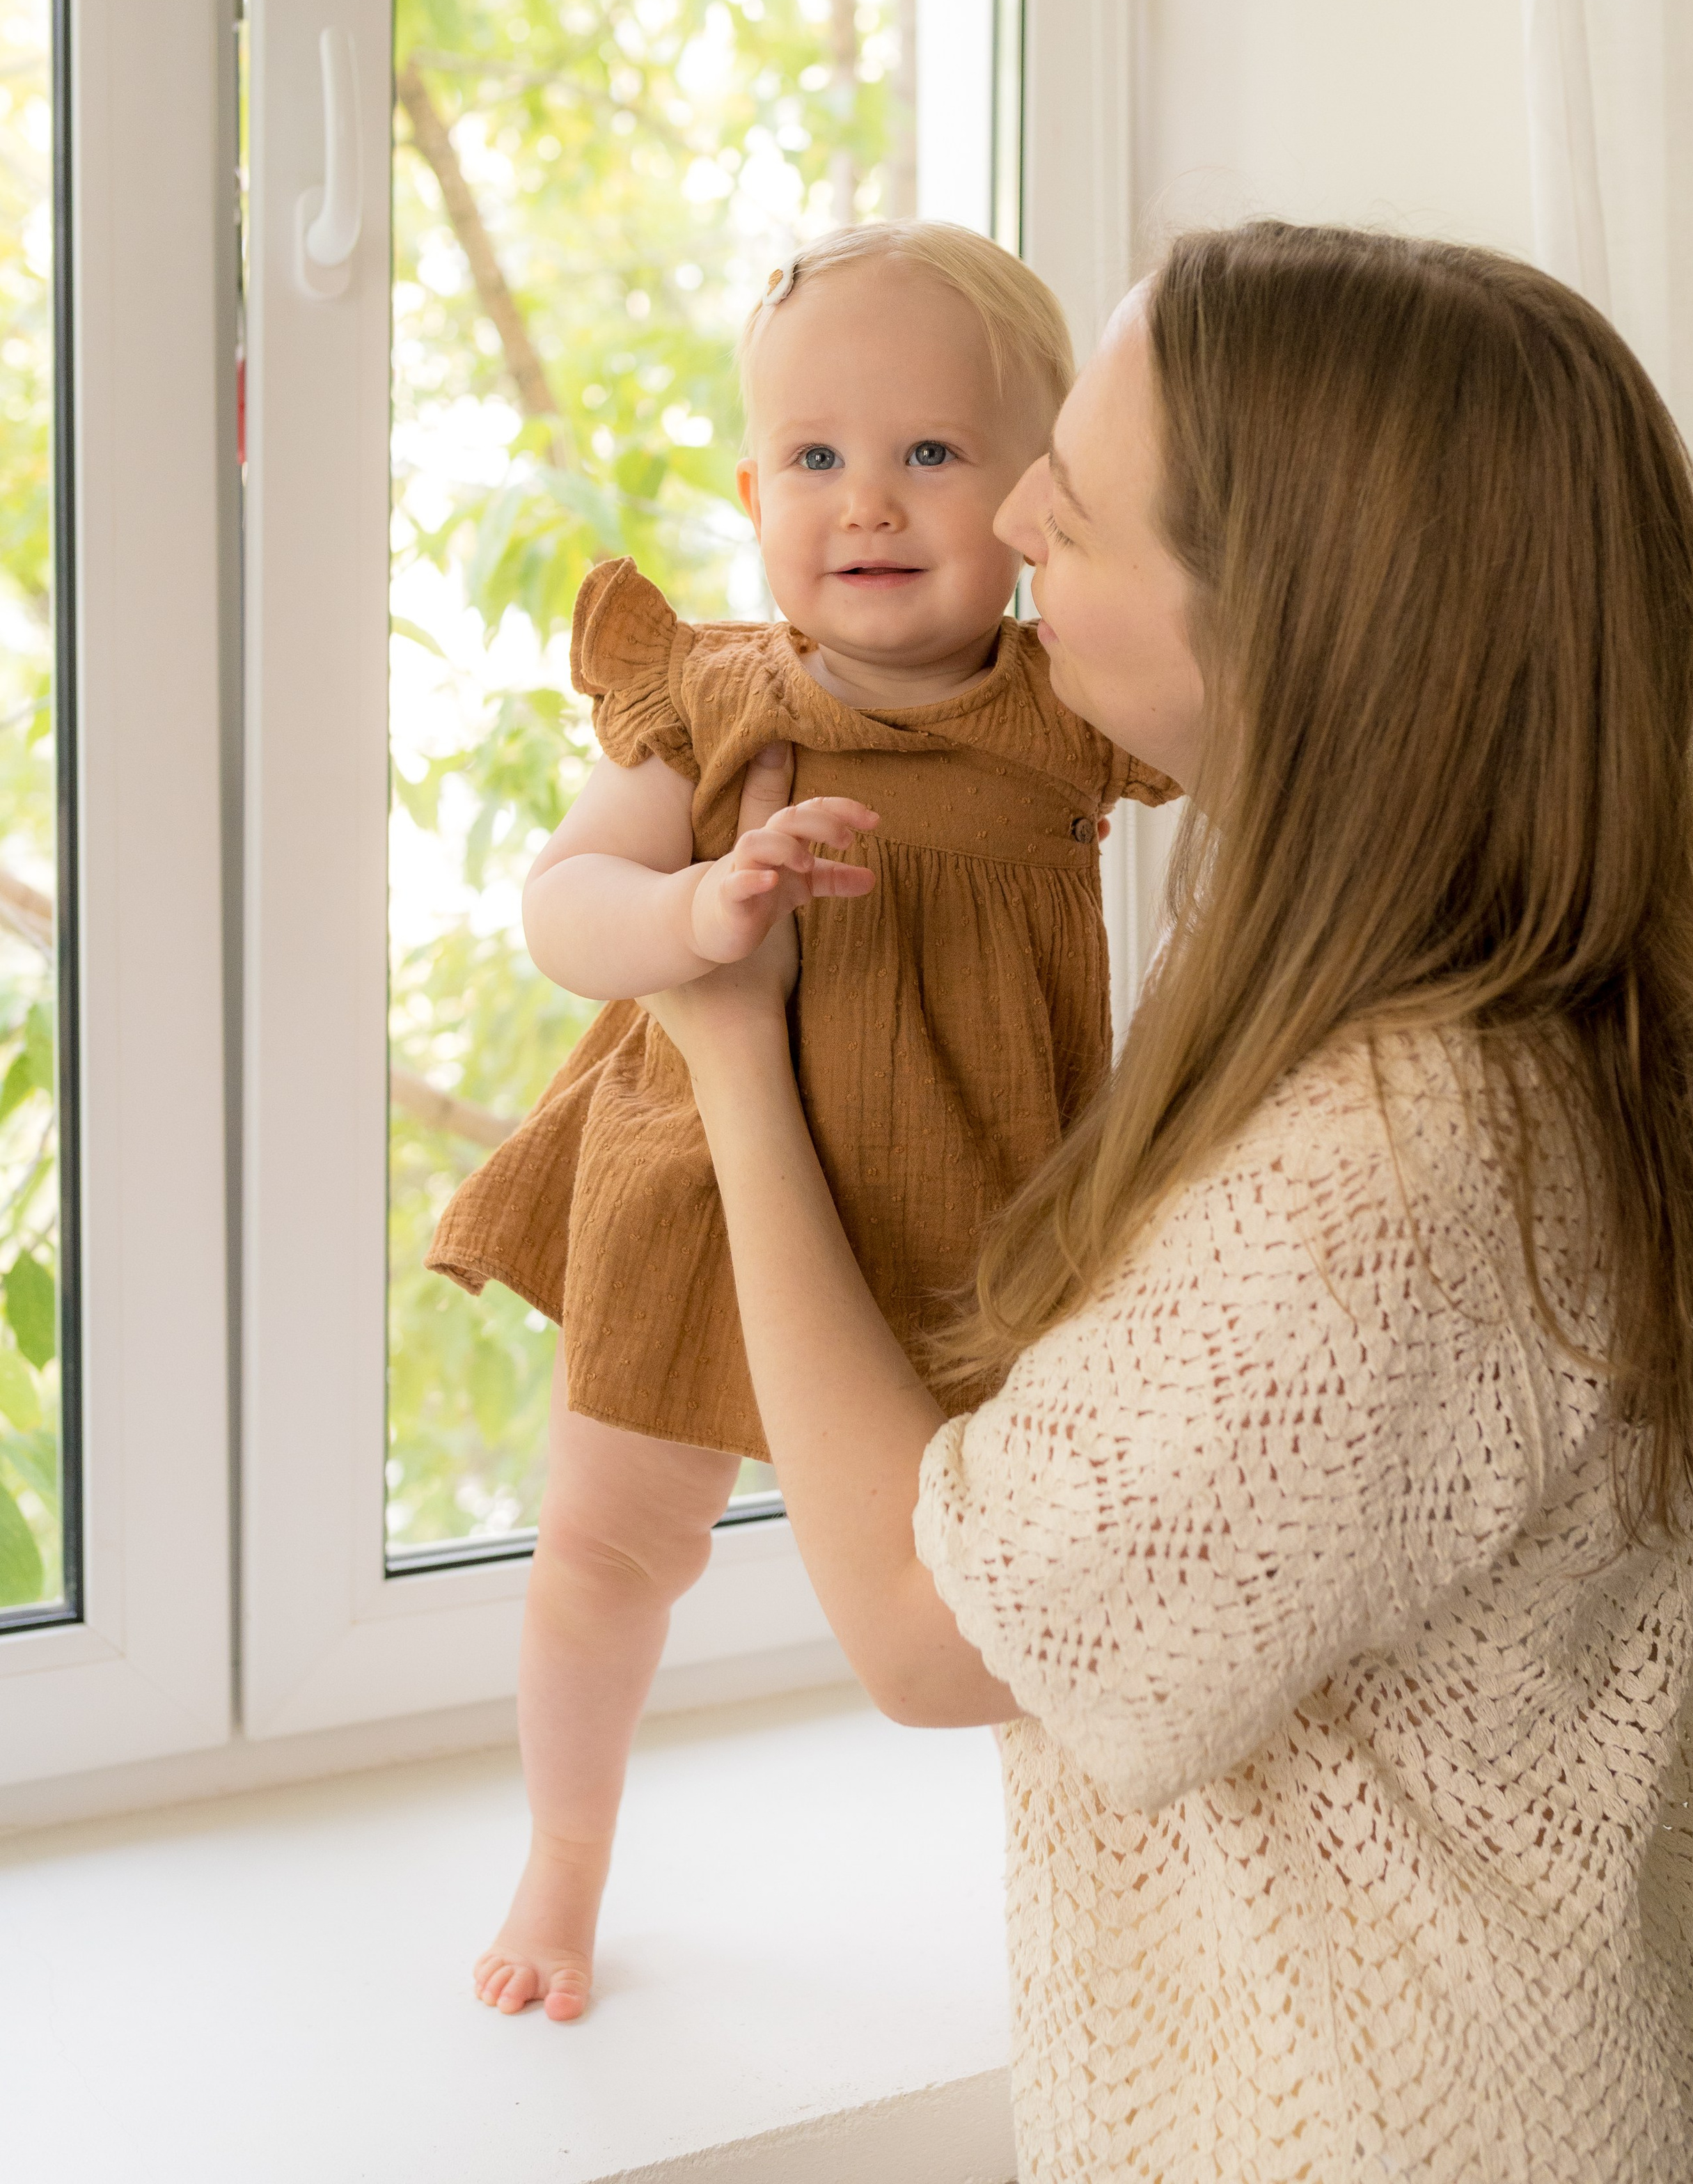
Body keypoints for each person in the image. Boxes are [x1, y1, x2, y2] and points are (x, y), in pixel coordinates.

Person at [643, 222, 1693, 2181]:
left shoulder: (1395, 1170)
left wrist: (733, 1063)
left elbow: (934, 1634)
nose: (1004, 519)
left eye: (1072, 512)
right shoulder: (1467, 1005)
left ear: (1291, 625)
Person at [432, 219, 1177, 2021]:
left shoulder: (1066, 711)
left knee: (1019, 1563)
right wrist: (689, 917)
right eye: (817, 459)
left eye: (932, 452)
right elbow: (561, 902)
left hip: (974, 1198)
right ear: (756, 485)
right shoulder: (710, 696)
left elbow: (1273, 724)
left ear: (1026, 500)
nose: (870, 502)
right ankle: (567, 1851)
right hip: (694, 1190)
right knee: (610, 1546)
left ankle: (1094, 1869)